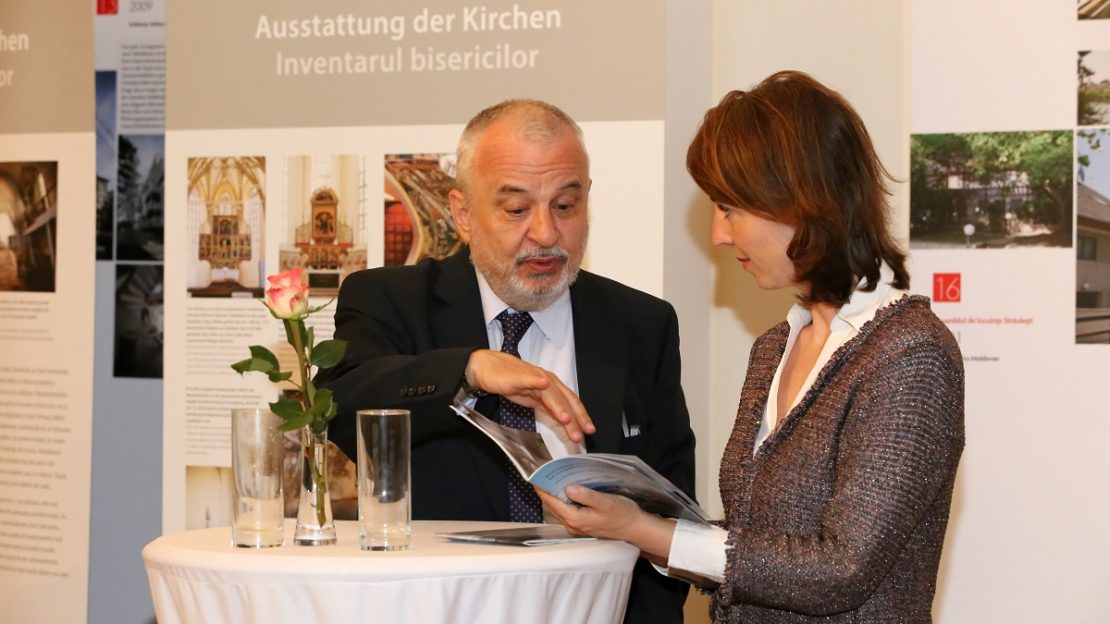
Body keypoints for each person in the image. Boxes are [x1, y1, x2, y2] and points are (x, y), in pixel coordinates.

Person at [541, 71, 965, 623]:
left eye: (730, 209)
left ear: (799, 200)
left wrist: (648, 531)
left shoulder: (910, 354)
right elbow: (756, 548)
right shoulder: (774, 346)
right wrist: (634, 523)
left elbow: (841, 570)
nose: (718, 235)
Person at [316, 99, 695, 623]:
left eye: (565, 206)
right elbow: (338, 404)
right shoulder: (391, 301)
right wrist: (468, 370)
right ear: (463, 214)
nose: (545, 233)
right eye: (516, 209)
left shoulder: (640, 324)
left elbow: (672, 514)